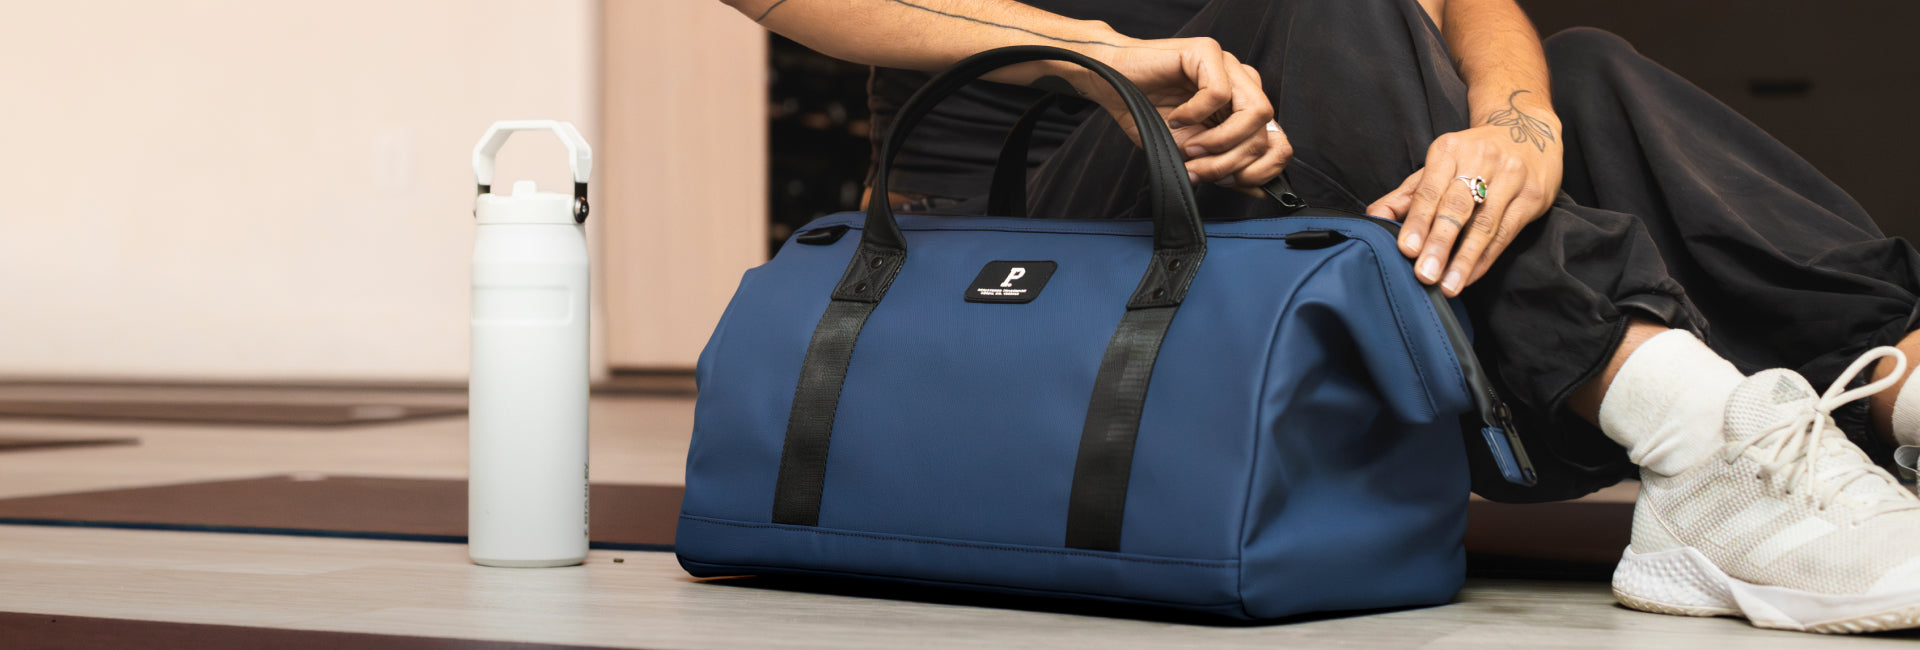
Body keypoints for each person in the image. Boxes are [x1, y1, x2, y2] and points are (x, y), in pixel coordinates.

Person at [720, 0, 1920, 633]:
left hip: (1284, 184)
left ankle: (1901, 395)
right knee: (1317, 5)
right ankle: (1692, 434)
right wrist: (1097, 53)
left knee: (1582, 73)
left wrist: (1516, 126)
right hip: (1048, 237)